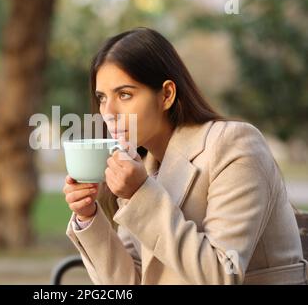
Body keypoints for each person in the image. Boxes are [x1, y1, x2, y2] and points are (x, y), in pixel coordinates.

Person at [62, 27, 307, 285]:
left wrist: (140, 193)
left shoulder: (235, 145)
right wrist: (88, 216)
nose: (108, 112)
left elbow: (222, 275)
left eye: (125, 94)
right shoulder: (143, 165)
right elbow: (131, 281)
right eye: (102, 98)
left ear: (166, 95)